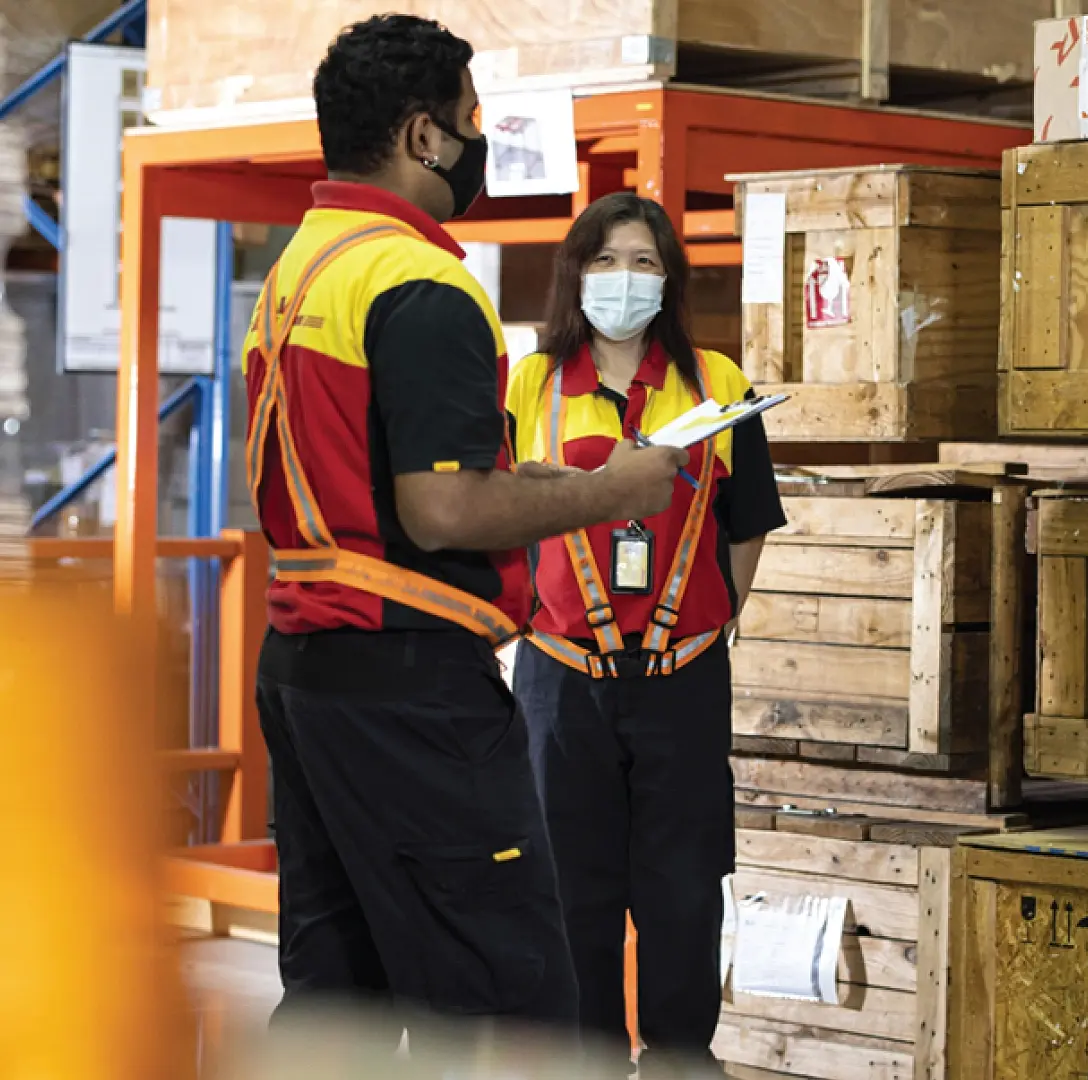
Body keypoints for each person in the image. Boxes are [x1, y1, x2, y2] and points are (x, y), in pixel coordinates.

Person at [244, 15, 687, 1035]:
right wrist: (608, 493)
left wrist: (520, 478)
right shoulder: (421, 280)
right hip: (412, 691)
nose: (477, 136)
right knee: (505, 1000)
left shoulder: (304, 268)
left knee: (339, 998)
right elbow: (439, 509)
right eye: (469, 118)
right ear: (421, 137)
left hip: (310, 671)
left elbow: (354, 470)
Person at [504, 193, 785, 1073]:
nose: (623, 280)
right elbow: (501, 514)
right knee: (567, 892)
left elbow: (748, 525)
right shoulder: (531, 383)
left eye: (643, 262)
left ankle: (679, 1059)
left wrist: (703, 625)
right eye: (604, 261)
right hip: (560, 680)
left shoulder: (719, 384)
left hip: (682, 681)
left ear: (669, 281)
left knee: (682, 892)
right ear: (574, 275)